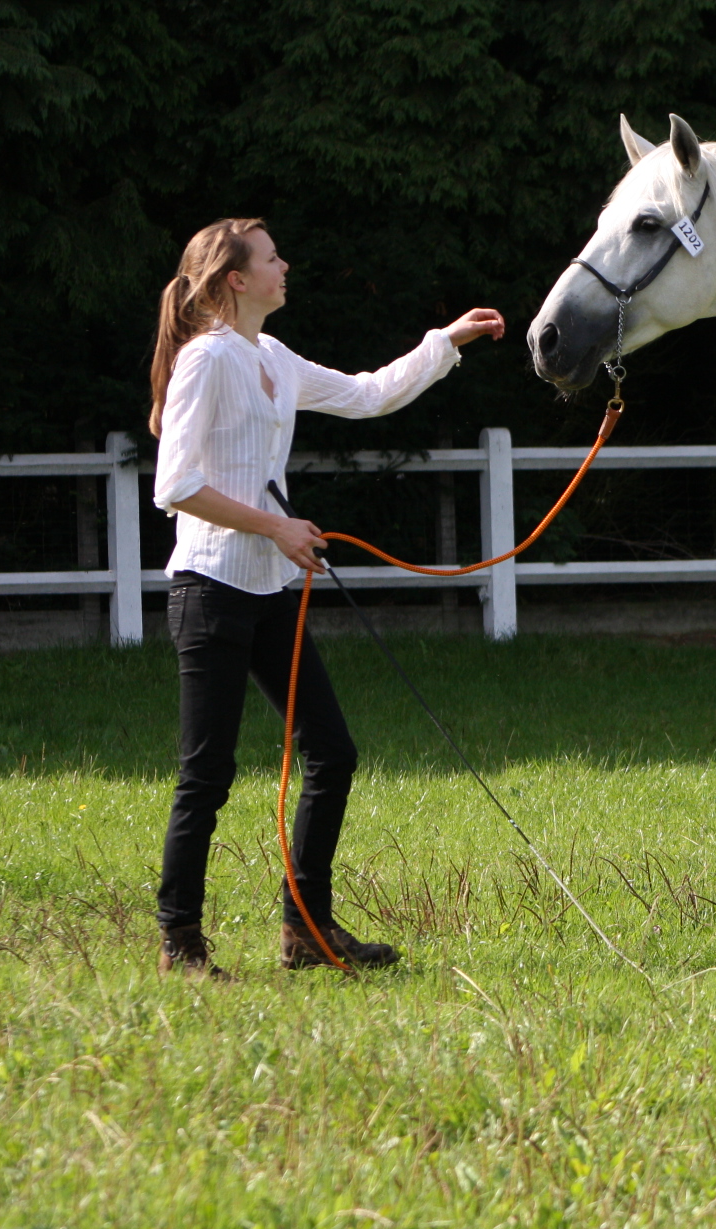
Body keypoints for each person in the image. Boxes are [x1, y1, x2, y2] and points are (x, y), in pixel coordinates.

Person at [148, 217, 504, 978]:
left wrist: (445, 341)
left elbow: (369, 395)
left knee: (332, 751)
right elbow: (174, 486)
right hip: (209, 589)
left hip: (270, 590)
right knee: (206, 775)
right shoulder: (206, 359)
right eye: (273, 258)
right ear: (237, 279)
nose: (286, 265)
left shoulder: (269, 355)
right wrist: (276, 525)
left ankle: (306, 931)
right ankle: (180, 944)